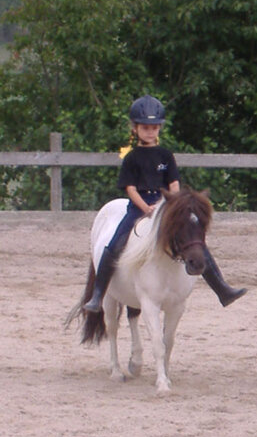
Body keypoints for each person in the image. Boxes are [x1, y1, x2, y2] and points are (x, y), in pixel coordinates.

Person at [82, 96, 246, 315]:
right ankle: (98, 294)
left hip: (166, 206)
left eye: (154, 128)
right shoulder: (131, 157)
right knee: (114, 244)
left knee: (196, 242)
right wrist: (146, 208)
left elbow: (173, 183)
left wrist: (176, 204)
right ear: (136, 128)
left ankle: (222, 289)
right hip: (139, 207)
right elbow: (130, 189)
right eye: (146, 128)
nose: (150, 132)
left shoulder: (166, 155)